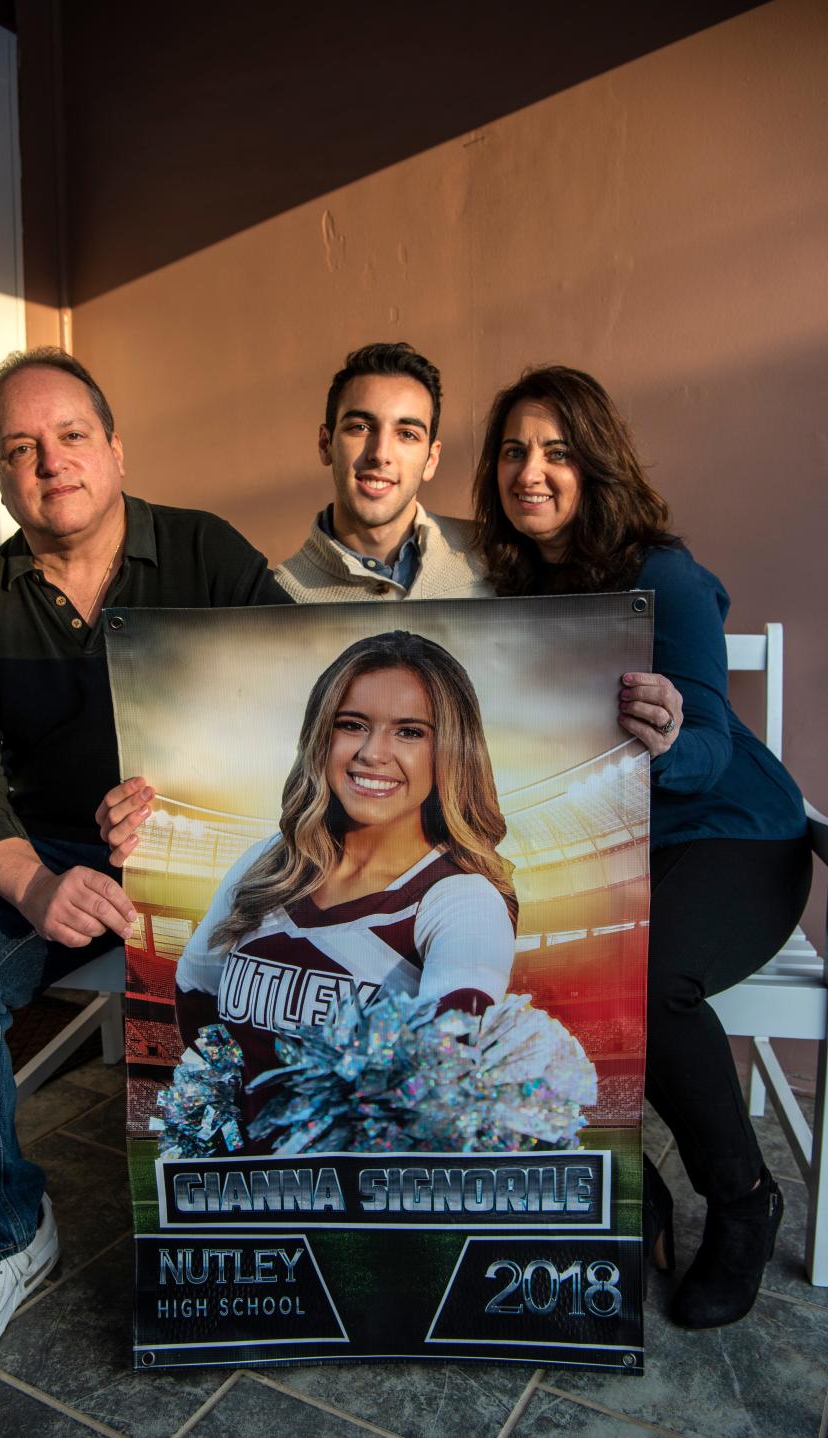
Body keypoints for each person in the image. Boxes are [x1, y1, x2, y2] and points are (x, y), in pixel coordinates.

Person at [0, 347, 290, 1373]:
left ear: (114, 446)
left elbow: (303, 698)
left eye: (69, 437)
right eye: (21, 450)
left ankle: (279, 1227)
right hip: (49, 849)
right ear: (2, 478)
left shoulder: (208, 554)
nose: (51, 464)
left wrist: (197, 799)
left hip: (220, 830)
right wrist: (37, 882)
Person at [471, 364, 811, 1329]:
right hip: (608, 846)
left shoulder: (660, 572)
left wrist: (661, 737)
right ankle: (634, 1184)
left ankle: (743, 1201)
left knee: (645, 973)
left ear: (597, 463)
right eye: (512, 451)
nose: (530, 472)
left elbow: (707, 737)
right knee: (508, 952)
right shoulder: (512, 590)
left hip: (735, 832)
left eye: (557, 451)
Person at [171, 629, 519, 1137]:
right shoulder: (268, 863)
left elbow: (450, 1052)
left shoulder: (460, 897)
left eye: (410, 732)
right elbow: (194, 986)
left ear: (452, 751)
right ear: (322, 736)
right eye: (352, 725)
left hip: (364, 1199)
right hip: (250, 1189)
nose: (373, 753)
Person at [275, 342, 492, 601]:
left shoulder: (490, 556)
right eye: (360, 428)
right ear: (326, 444)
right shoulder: (282, 595)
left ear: (431, 459)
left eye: (407, 434)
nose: (380, 454)